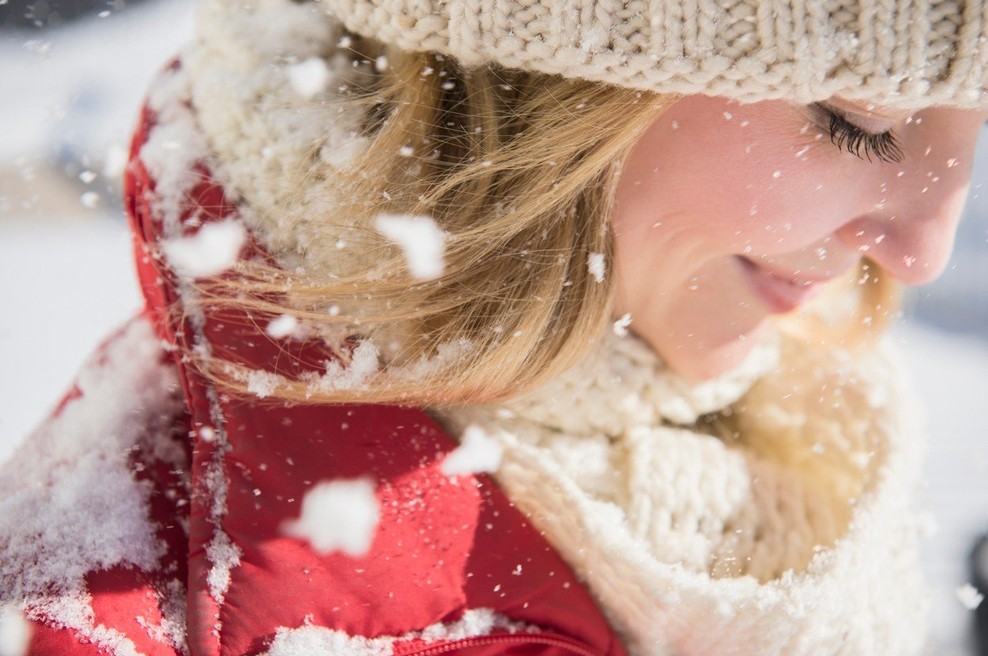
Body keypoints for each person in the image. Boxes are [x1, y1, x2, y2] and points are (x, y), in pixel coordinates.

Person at [1, 0, 987, 654]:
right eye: (864, 123)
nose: (921, 249)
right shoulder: (112, 596)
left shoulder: (786, 428)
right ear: (552, 89)